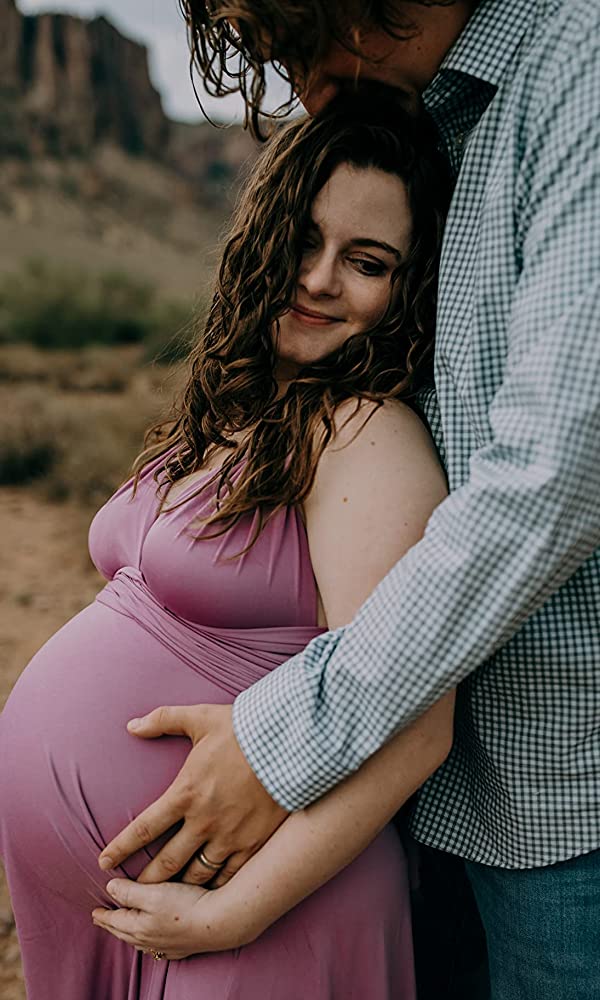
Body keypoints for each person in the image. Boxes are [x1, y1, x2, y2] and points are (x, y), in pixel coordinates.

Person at [94, 2, 600, 999]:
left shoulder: (577, 66)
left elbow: (553, 476)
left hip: (557, 798)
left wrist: (282, 741)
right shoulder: (439, 123)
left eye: (293, 41)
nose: (293, 82)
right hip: (422, 806)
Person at [0, 98, 454, 997]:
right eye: (304, 240)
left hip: (261, 920)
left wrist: (231, 916)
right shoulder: (237, 411)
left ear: (405, 291)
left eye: (367, 263)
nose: (319, 279)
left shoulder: (366, 433)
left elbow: (416, 729)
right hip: (142, 914)